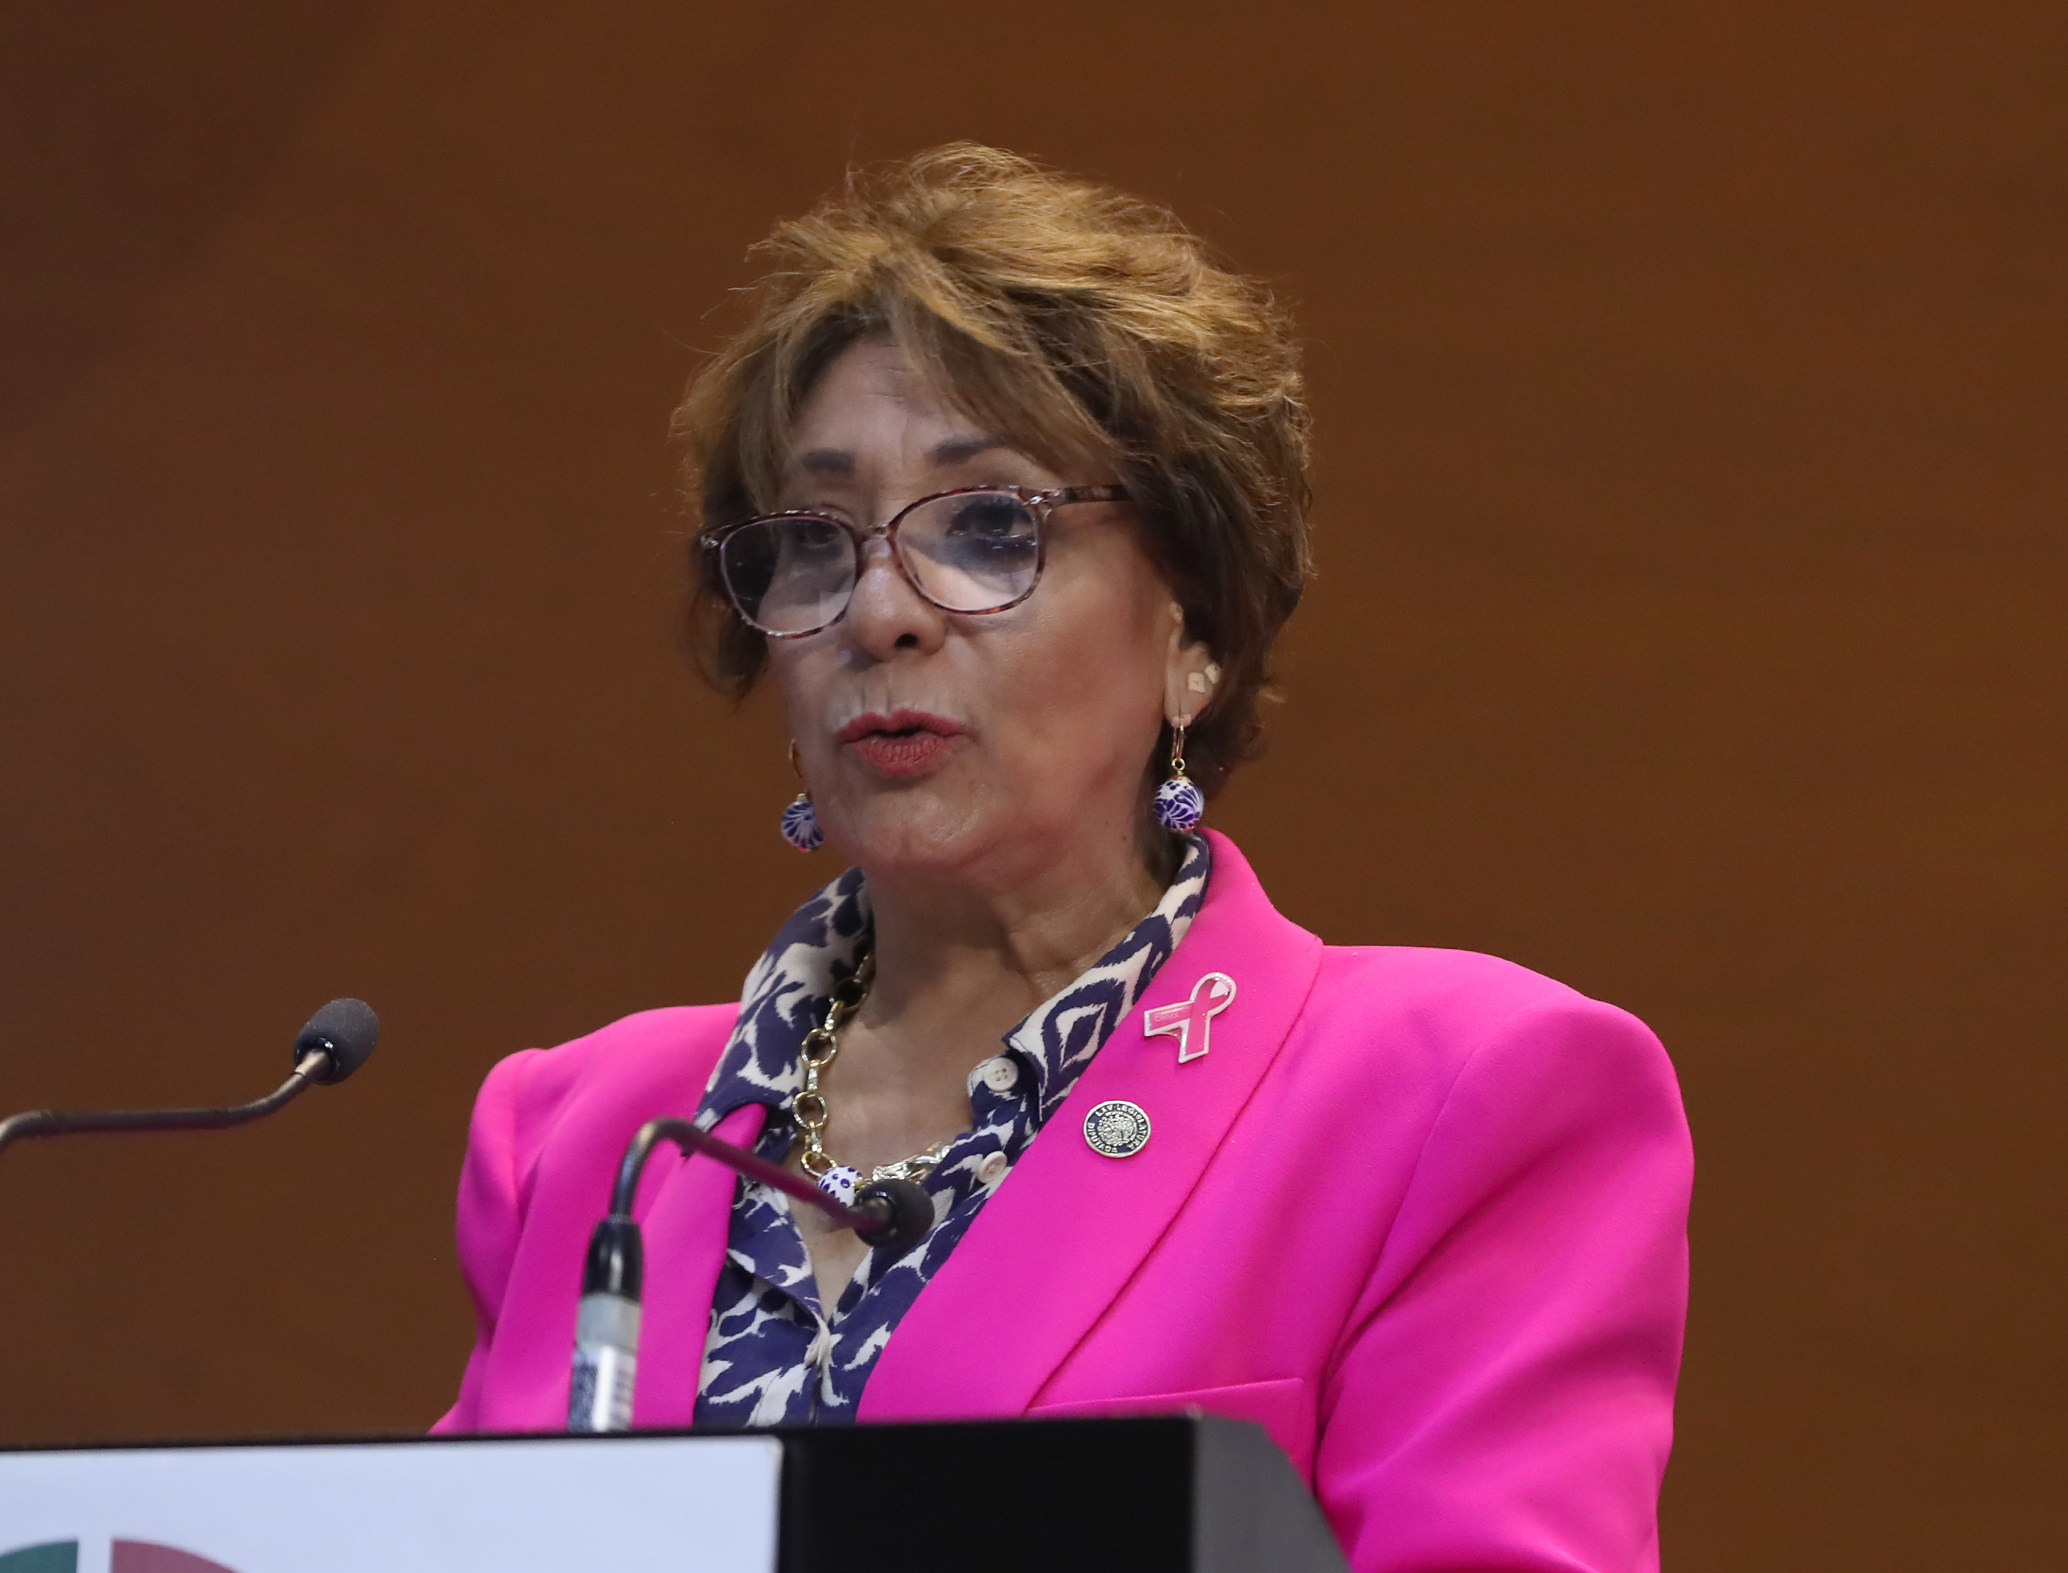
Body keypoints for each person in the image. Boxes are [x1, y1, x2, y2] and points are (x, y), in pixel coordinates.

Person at [433, 144, 1690, 1573]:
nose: (880, 612)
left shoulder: (1453, 1098)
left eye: (989, 526)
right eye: (814, 542)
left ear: (1194, 631)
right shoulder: (579, 1134)